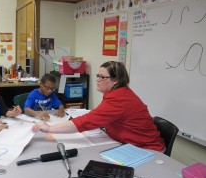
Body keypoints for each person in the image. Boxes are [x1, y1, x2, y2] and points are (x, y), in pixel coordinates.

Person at [32, 61, 165, 152]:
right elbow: (97, 117)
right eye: (98, 76)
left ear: (116, 80)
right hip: (127, 144)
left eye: (102, 77)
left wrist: (50, 128)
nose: (97, 80)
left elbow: (87, 121)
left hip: (147, 151)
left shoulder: (119, 98)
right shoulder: (115, 93)